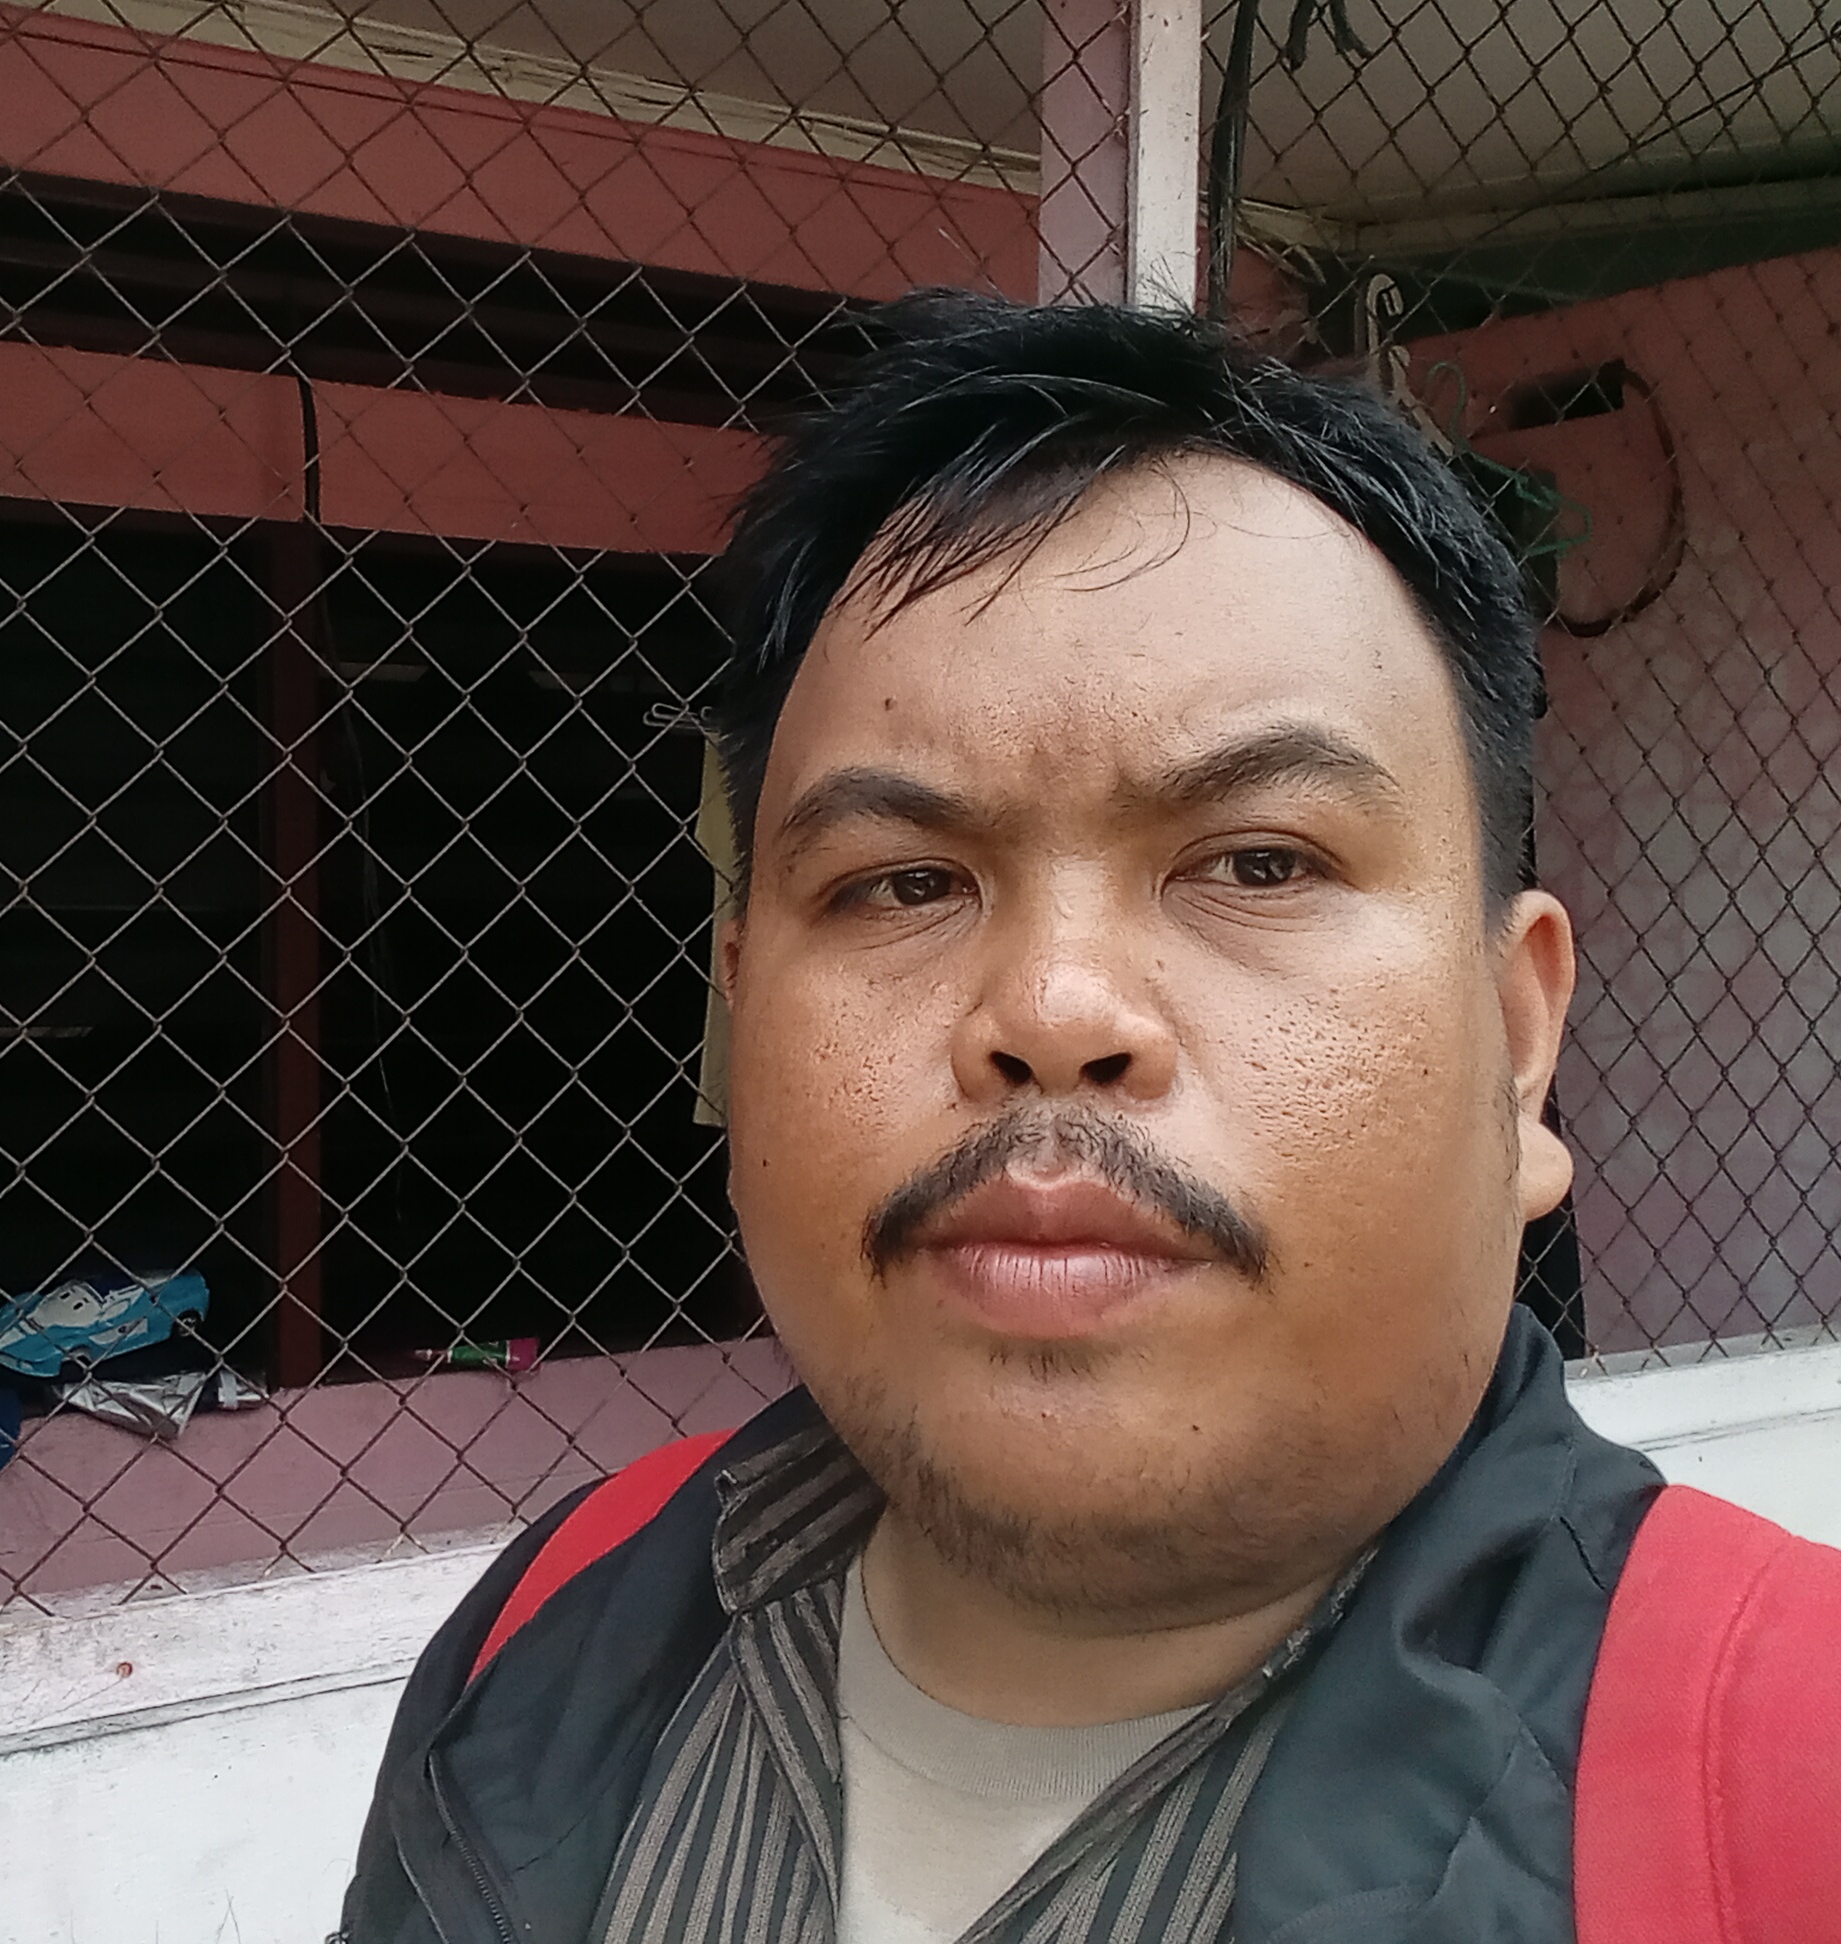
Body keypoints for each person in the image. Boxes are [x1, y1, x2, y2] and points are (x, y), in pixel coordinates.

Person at [335, 295, 1838, 1944]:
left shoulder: (1787, 1789)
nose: (1053, 1012)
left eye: (1258, 861)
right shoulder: (553, 1629)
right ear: (744, 1008)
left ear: (1520, 1040)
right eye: (904, 883)